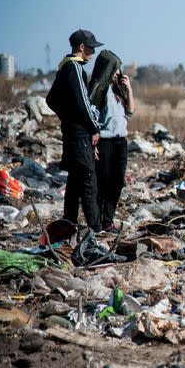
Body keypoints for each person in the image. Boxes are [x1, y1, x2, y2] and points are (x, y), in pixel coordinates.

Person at [46, 29, 105, 231]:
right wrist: (93, 127)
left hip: (71, 134)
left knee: (75, 183)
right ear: (81, 47)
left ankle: (69, 223)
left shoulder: (64, 67)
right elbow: (83, 104)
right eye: (90, 48)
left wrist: (67, 118)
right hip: (80, 137)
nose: (93, 52)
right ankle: (95, 229)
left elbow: (51, 100)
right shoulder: (75, 68)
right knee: (89, 182)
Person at [88, 50, 135, 233]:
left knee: (117, 182)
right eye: (114, 69)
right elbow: (91, 117)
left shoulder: (118, 90)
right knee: (103, 181)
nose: (117, 73)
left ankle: (108, 220)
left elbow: (130, 110)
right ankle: (98, 221)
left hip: (120, 141)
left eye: (118, 69)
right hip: (104, 141)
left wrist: (129, 89)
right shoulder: (97, 89)